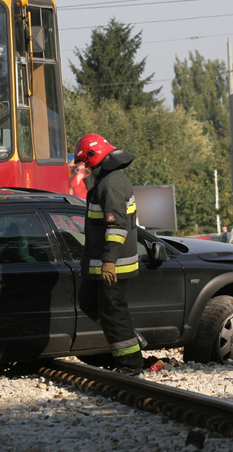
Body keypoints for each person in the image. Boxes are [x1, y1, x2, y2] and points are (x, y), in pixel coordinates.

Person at [73, 134, 161, 375]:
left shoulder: (112, 184)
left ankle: (130, 365)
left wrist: (109, 261)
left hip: (114, 265)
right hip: (100, 263)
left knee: (113, 313)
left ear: (95, 158)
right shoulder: (105, 182)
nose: (84, 168)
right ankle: (132, 343)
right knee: (90, 303)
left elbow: (117, 227)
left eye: (85, 163)